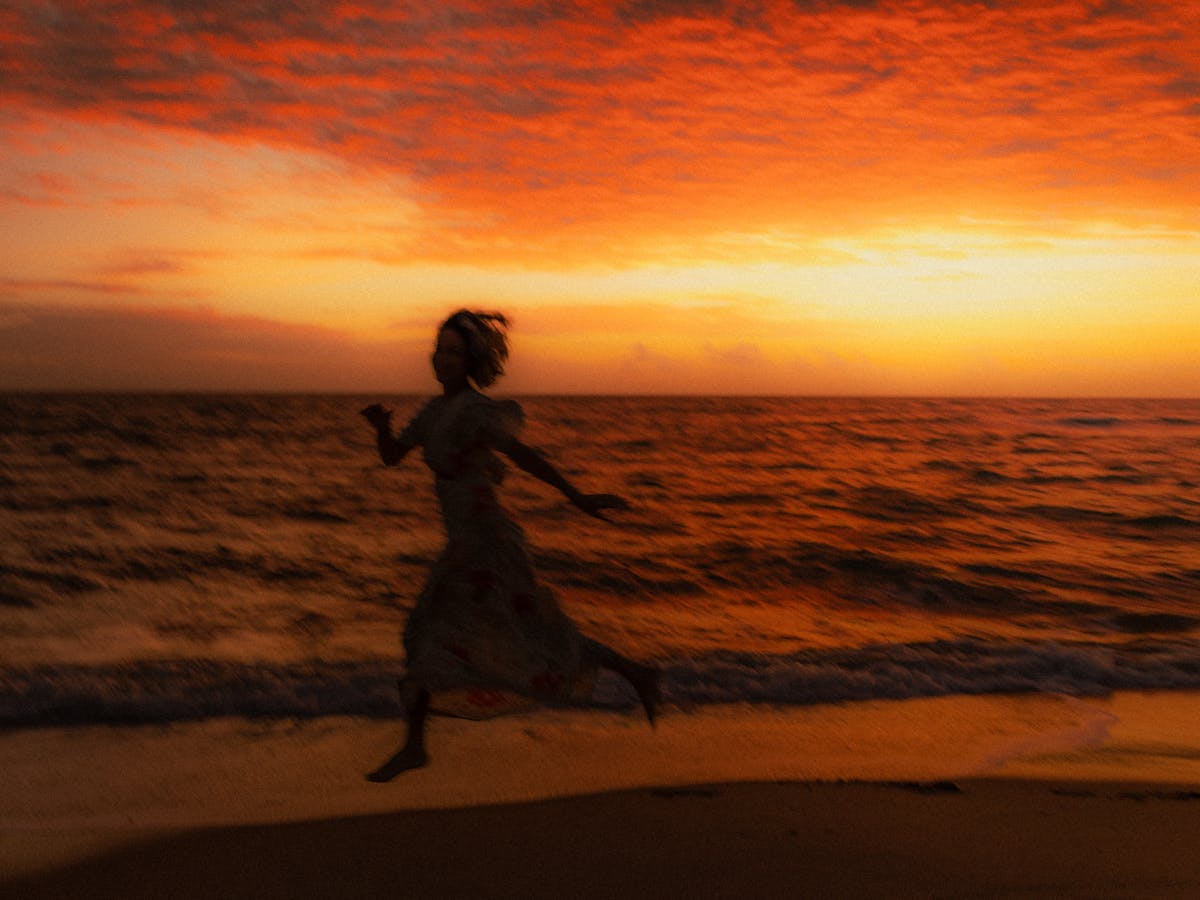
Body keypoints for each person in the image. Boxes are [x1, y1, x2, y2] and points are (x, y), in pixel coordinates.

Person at [361, 310, 661, 781]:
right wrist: (380, 427)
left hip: (489, 543)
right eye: (439, 349)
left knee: (470, 632)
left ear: (470, 361)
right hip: (462, 545)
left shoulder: (477, 412)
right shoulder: (435, 413)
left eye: (454, 352)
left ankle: (415, 745)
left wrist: (576, 496)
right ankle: (638, 673)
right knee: (438, 633)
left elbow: (524, 457)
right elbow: (394, 456)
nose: (443, 358)